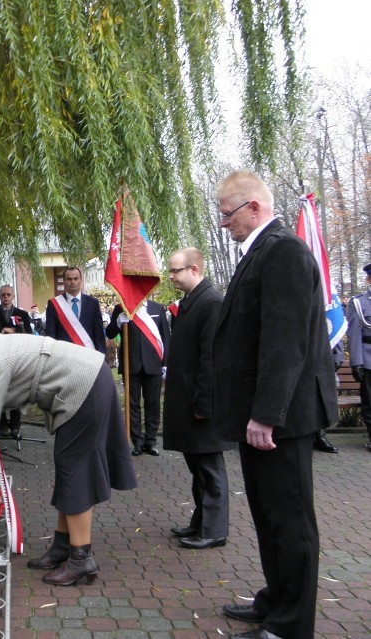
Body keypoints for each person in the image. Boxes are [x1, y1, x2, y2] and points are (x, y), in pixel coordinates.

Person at [213, 171, 337, 639]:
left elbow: (284, 344)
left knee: (290, 519)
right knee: (268, 515)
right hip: (262, 416)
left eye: (227, 214)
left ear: (254, 208)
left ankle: (291, 624)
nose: (224, 224)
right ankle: (276, 598)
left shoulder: (282, 251)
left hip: (279, 419)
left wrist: (266, 414)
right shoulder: (263, 251)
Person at [0, 326, 136, 586]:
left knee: (76, 472)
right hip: (88, 380)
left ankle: (82, 558)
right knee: (68, 468)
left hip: (85, 386)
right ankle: (63, 546)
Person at [163, 248, 232, 550]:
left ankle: (214, 530)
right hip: (188, 400)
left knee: (210, 468)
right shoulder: (192, 302)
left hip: (202, 403)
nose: (171, 276)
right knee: (197, 467)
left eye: (176, 270)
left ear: (194, 269)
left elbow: (211, 359)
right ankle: (200, 523)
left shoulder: (212, 302)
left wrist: (205, 404)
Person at [106, 300, 170, 456]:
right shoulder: (122, 307)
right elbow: (110, 333)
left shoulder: (157, 307)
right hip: (131, 363)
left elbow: (165, 337)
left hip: (153, 363)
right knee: (132, 404)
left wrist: (165, 363)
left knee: (153, 404)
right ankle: (137, 442)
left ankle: (151, 441)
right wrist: (118, 322)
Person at [0, 284, 32, 437]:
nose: (6, 297)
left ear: (13, 296)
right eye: (3, 295)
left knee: (17, 391)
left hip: (17, 358)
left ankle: (15, 425)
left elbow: (29, 335)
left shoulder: (22, 314)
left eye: (8, 294)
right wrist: (2, 332)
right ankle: (1, 425)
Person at [43, 266, 106, 353]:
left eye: (76, 279)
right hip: (63, 355)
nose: (72, 282)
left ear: (81, 280)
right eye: (69, 279)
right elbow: (51, 334)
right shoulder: (54, 304)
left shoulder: (93, 303)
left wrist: (102, 357)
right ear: (64, 281)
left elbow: (98, 334)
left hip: (87, 354)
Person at [346, 262, 371, 452]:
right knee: (370, 402)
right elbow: (354, 334)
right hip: (368, 359)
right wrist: (357, 362)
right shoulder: (359, 303)